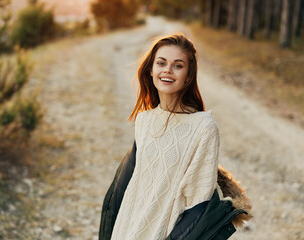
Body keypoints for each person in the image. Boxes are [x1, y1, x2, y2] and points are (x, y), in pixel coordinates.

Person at [99, 33, 252, 240]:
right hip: (126, 230)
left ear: (188, 75)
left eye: (178, 65)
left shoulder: (203, 127)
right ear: (151, 70)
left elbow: (198, 204)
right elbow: (128, 187)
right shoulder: (144, 121)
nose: (167, 70)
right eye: (161, 63)